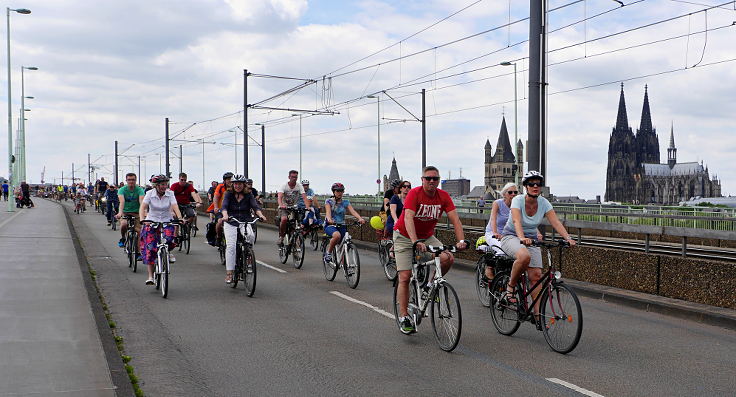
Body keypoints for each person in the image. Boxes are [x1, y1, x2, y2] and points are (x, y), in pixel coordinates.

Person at [393, 166, 467, 334]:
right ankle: (404, 316)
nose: (432, 181)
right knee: (405, 276)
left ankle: (428, 285)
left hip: (426, 236)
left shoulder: (443, 196)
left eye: (435, 178)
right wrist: (414, 241)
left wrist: (461, 241)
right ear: (422, 180)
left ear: (439, 180)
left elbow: (455, 219)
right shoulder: (414, 193)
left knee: (448, 257)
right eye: (428, 178)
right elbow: (409, 218)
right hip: (405, 236)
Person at [500, 171, 576, 324]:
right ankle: (510, 287)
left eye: (538, 184)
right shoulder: (518, 200)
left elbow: (555, 222)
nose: (535, 186)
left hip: (532, 240)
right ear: (525, 186)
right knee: (524, 257)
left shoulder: (544, 203)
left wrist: (567, 238)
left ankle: (537, 315)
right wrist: (521, 237)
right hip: (511, 236)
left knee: (536, 276)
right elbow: (516, 221)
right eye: (531, 184)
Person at [221, 175, 267, 284]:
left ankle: (248, 258)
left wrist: (261, 215)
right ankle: (230, 273)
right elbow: (224, 206)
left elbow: (255, 207)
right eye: (235, 184)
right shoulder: (228, 194)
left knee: (250, 237)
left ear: (244, 185)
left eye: (240, 184)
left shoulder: (248, 195)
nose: (237, 186)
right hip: (231, 221)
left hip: (245, 221)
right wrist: (225, 215)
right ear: (232, 184)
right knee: (231, 246)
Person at [139, 175, 183, 285]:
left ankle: (167, 253)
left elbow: (175, 206)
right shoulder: (150, 194)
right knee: (150, 248)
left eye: (166, 184)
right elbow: (143, 207)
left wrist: (180, 218)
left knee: (170, 239)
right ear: (156, 186)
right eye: (162, 184)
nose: (165, 186)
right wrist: (142, 219)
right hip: (152, 221)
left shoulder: (170, 193)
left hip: (166, 220)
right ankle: (150, 276)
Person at [323, 182, 365, 263]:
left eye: (341, 191)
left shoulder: (345, 202)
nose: (340, 193)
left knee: (345, 240)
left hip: (342, 225)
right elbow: (328, 213)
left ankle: (345, 266)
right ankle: (328, 253)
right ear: (334, 192)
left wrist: (360, 218)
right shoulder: (329, 201)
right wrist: (329, 219)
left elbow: (353, 211)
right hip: (330, 225)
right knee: (337, 236)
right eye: (337, 191)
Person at [277, 170, 310, 246]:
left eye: (296, 177)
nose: (294, 178)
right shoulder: (284, 186)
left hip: (294, 207)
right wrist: (281, 205)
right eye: (292, 177)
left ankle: (296, 238)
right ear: (289, 177)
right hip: (284, 207)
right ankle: (281, 236)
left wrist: (307, 206)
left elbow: (304, 197)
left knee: (299, 223)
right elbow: (280, 196)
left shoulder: (299, 186)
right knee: (284, 219)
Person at [116, 173, 145, 255]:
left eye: (133, 180)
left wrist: (143, 214)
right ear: (126, 180)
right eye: (129, 180)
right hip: (125, 212)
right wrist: (120, 213)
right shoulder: (122, 190)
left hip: (136, 213)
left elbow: (141, 202)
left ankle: (138, 252)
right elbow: (122, 202)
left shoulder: (140, 190)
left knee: (139, 231)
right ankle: (123, 238)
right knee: (124, 224)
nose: (131, 181)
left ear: (135, 180)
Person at [206, 172, 234, 245]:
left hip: (231, 210)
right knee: (220, 222)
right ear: (224, 180)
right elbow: (216, 197)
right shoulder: (220, 186)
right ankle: (218, 237)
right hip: (220, 209)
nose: (230, 181)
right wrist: (216, 207)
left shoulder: (235, 187)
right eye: (228, 179)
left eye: (231, 179)